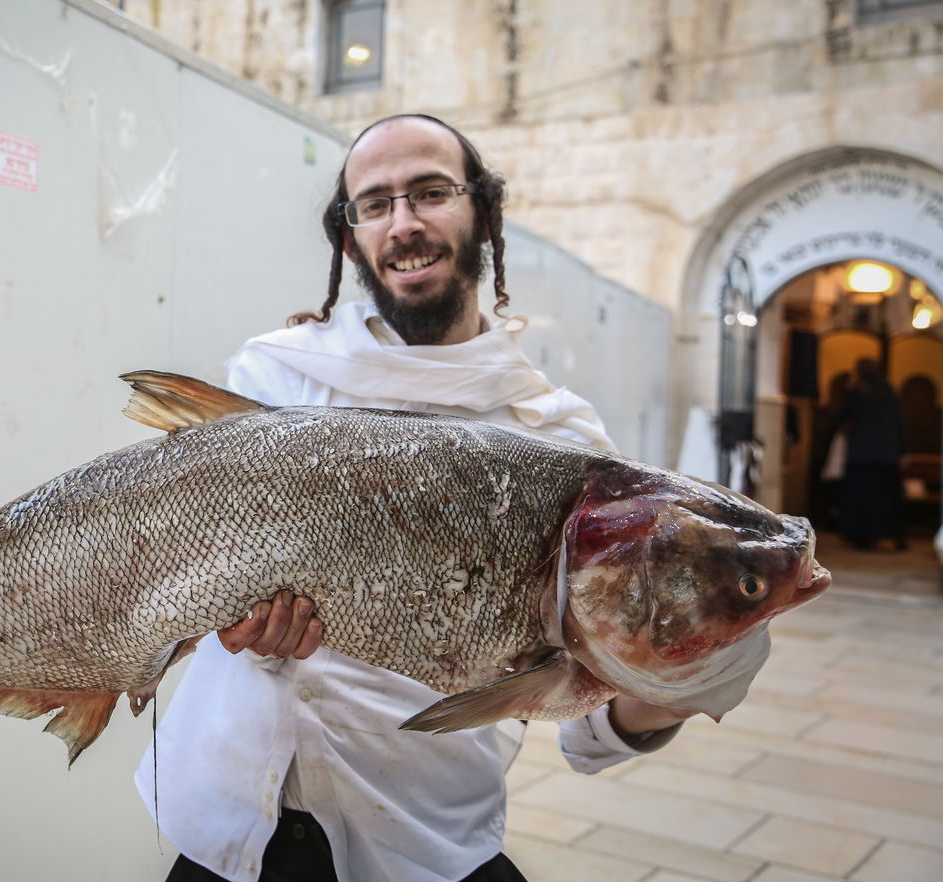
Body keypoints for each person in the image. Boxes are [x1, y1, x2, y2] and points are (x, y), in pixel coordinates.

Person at [136, 114, 693, 882]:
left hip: (424, 844)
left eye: (431, 192)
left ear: (485, 214)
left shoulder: (559, 440)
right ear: (349, 237)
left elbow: (587, 725)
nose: (404, 223)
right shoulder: (277, 379)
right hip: (230, 830)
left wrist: (675, 685)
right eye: (376, 203)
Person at [836, 357, 906, 550]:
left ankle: (862, 536)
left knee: (862, 497)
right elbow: (899, 424)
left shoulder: (857, 393)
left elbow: (841, 417)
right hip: (884, 455)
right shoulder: (888, 392)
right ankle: (884, 535)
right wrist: (901, 451)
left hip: (861, 455)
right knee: (882, 498)